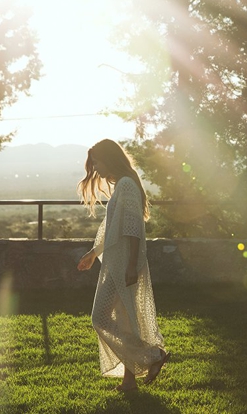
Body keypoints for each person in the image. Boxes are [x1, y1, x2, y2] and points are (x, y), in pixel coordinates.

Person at [77, 139, 170, 392]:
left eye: (97, 162)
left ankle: (153, 355)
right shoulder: (123, 184)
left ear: (110, 158)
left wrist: (131, 266)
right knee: (124, 319)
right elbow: (112, 228)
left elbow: (132, 229)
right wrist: (93, 252)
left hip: (124, 265)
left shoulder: (126, 185)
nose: (95, 168)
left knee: (100, 318)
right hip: (119, 263)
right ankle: (129, 382)